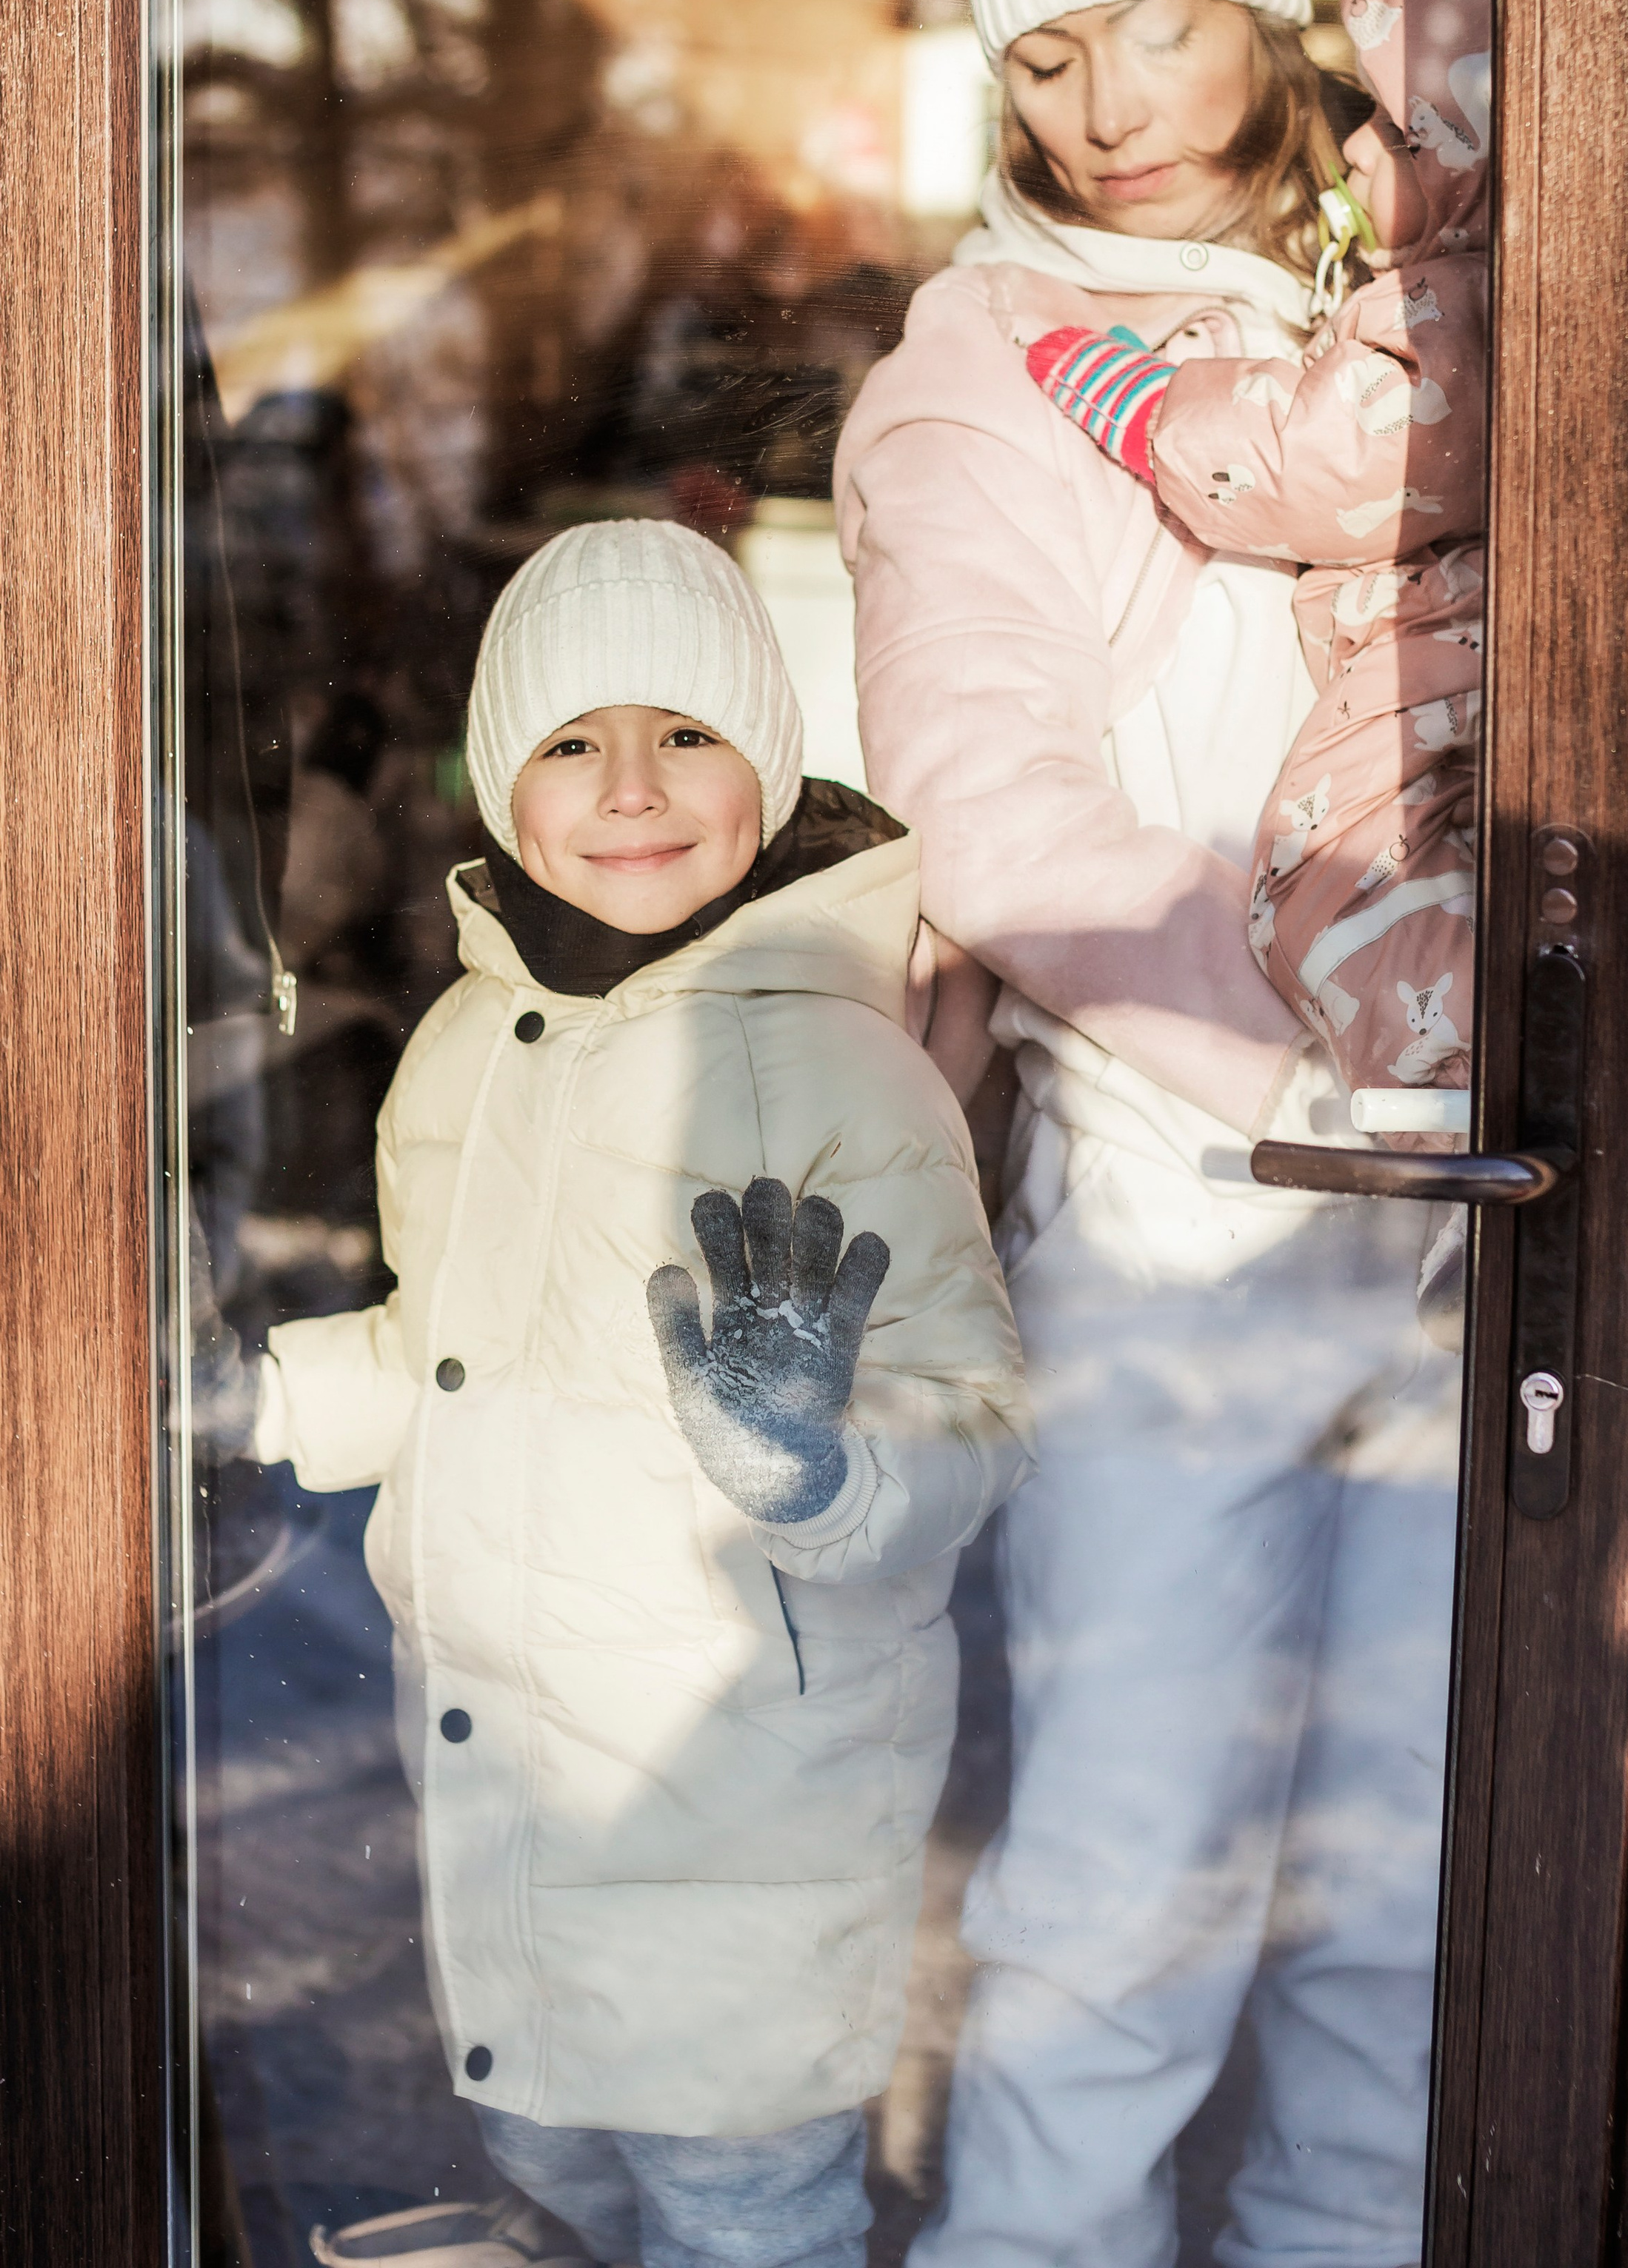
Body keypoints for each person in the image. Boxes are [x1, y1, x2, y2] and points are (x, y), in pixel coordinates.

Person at [835, 0, 1458, 2268]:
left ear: (1263, 8)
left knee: (1408, 1900)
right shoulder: (982, 378)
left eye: (1160, 28)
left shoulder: (1400, 288)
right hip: (1196, 1192)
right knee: (1125, 1893)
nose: (1109, 108)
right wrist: (1281, 1072)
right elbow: (1000, 811)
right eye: (1052, 55)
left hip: (1462, 1210)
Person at [219, 518, 1033, 2268]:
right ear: (506, 789)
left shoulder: (840, 1065)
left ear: (769, 758)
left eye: (687, 735)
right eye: (573, 744)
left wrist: (811, 1466)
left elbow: (968, 1423)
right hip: (512, 1783)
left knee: (741, 2214)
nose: (634, 787)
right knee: (556, 2181)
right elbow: (447, 1358)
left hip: (745, 1797)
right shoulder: (461, 1050)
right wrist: (252, 1403)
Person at [1023, 0, 1492, 1131]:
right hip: (1440, 641)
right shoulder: (1436, 279)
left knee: (1322, 880)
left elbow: (1338, 454)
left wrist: (1149, 408)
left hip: (1441, 655)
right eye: (1046, 63)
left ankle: (1450, 1099)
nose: (1353, 145)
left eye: (1396, 129)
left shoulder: (1459, 304)